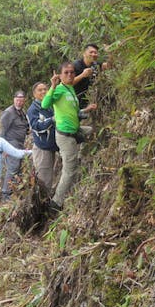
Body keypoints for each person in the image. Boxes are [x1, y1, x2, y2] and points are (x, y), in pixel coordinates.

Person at [42, 62, 97, 210]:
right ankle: (56, 203)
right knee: (69, 171)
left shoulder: (70, 89)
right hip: (65, 136)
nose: (70, 75)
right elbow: (45, 105)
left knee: (92, 131)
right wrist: (52, 86)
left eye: (72, 72)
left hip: (75, 130)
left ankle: (79, 156)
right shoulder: (59, 89)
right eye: (66, 72)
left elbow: (74, 112)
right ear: (60, 76)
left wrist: (87, 110)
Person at [26, 81, 58, 195]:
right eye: (40, 90)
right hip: (42, 148)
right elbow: (37, 127)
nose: (43, 91)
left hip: (52, 146)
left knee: (52, 177)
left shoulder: (49, 106)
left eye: (45, 89)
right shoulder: (32, 110)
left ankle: (49, 205)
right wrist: (52, 119)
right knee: (44, 180)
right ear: (34, 94)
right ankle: (43, 207)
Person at [0, 90, 30, 199]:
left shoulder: (22, 112)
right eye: (17, 100)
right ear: (14, 100)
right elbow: (1, 130)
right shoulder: (8, 112)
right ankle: (6, 194)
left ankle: (14, 191)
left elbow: (26, 127)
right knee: (13, 167)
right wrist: (3, 148)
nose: (19, 103)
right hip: (11, 143)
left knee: (18, 168)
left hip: (20, 144)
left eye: (21, 101)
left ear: (24, 101)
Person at [73, 43, 109, 109]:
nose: (93, 54)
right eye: (91, 52)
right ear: (84, 54)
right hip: (75, 102)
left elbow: (110, 66)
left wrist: (109, 52)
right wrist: (82, 75)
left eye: (95, 53)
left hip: (91, 102)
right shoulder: (76, 65)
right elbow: (67, 83)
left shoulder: (95, 65)